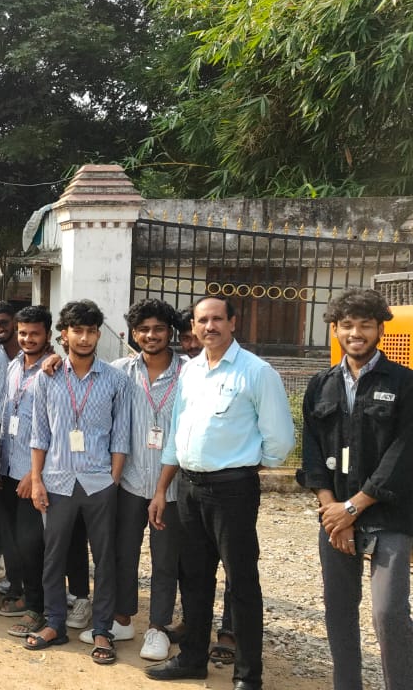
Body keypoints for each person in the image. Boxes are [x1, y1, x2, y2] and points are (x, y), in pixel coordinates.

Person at [146, 296, 294, 689]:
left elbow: (280, 440)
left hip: (232, 492)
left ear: (232, 323)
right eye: (201, 321)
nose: (209, 327)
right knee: (193, 578)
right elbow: (176, 435)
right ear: (193, 328)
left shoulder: (256, 372)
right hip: (189, 489)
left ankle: (248, 675)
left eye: (216, 319)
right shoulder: (191, 372)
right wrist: (162, 488)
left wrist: (243, 466)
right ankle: (192, 658)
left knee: (241, 582)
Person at [298, 288, 413, 690]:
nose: (356, 332)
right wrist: (333, 511)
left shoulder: (404, 382)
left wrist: (354, 507)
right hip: (335, 518)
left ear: (380, 329)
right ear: (334, 330)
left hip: (388, 515)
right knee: (339, 611)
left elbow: (403, 454)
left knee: (389, 613)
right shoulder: (321, 385)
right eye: (347, 324)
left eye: (365, 324)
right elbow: (311, 452)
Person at [25, 300, 129, 666]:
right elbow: (39, 433)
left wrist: (112, 481)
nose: (84, 338)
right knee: (54, 557)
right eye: (77, 331)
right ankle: (55, 623)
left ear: (99, 334)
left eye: (91, 331)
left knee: (104, 558)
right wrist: (37, 481)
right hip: (56, 480)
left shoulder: (116, 379)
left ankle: (102, 629)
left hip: (99, 482)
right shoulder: (47, 376)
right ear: (64, 335)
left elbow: (121, 436)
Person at [106, 299, 188, 661]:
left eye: (158, 328)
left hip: (170, 488)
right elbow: (81, 375)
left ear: (169, 332)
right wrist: (54, 360)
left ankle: (157, 628)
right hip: (129, 483)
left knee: (165, 560)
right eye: (143, 329)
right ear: (134, 333)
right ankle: (122, 618)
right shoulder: (121, 370)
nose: (150, 335)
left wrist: (162, 488)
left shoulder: (190, 373)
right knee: (122, 553)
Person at [0, 305, 54, 639]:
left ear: (47, 335)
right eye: (23, 333)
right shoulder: (13, 366)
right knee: (13, 541)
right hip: (6, 468)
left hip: (32, 474)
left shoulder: (52, 371)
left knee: (33, 543)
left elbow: (54, 428)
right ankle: (21, 594)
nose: (27, 339)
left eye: (34, 333)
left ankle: (38, 608)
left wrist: (35, 474)